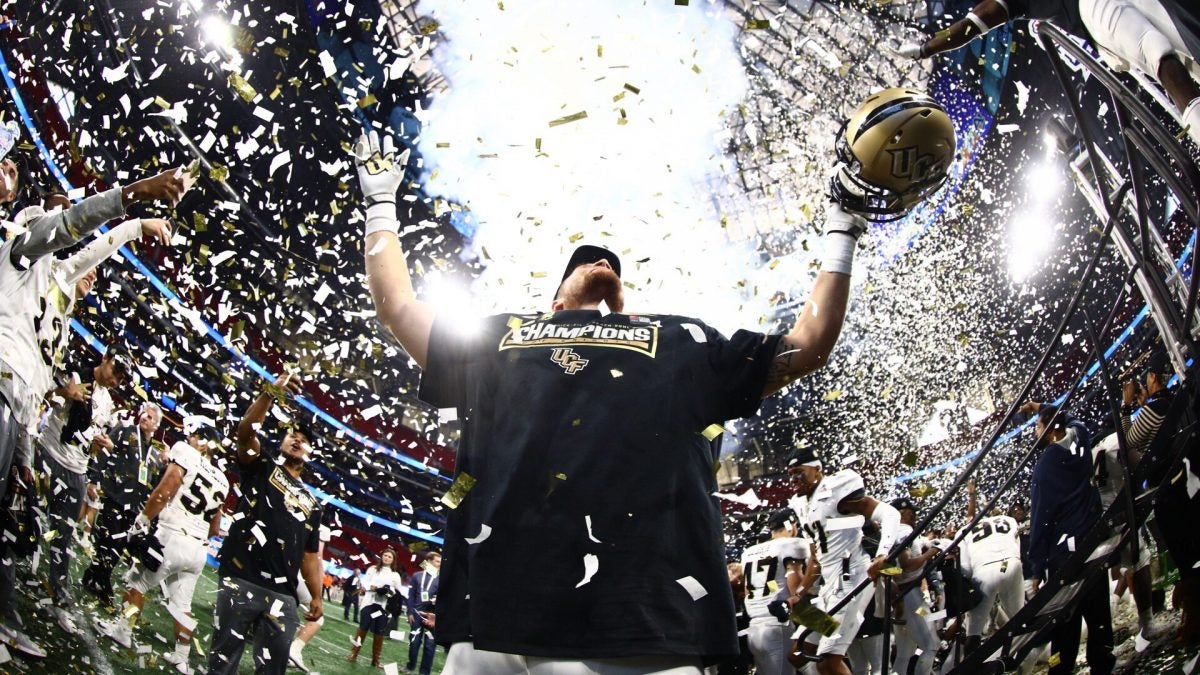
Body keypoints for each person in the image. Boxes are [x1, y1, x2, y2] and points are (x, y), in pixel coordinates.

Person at [354, 98, 874, 667]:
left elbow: (809, 344)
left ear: (628, 307)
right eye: (583, 261)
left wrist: (843, 222)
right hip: (494, 629)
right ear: (552, 303)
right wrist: (379, 204)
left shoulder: (682, 340)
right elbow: (398, 308)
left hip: (641, 634)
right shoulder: (499, 336)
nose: (600, 262)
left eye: (610, 265)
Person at [0, 162, 184, 653]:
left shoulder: (58, 279)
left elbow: (95, 248)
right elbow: (67, 226)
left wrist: (135, 226)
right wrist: (137, 194)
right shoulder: (22, 245)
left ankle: (11, 612)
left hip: (19, 404)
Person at [897, 0, 1200, 146]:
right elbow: (974, 24)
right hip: (1092, 6)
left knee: (1182, 39)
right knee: (1154, 49)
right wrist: (928, 48)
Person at [206, 373, 324, 675]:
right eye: (292, 434)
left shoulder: (313, 504)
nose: (298, 439)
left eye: (305, 439)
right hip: (241, 577)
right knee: (222, 663)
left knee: (273, 671)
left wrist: (317, 596)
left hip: (284, 594)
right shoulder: (263, 466)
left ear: (311, 453)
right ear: (281, 440)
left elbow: (310, 556)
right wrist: (271, 393)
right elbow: (245, 432)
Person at [97, 419, 228, 674]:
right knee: (183, 604)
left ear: (200, 438)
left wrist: (143, 520)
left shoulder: (186, 451)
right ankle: (181, 657)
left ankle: (122, 630)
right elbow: (215, 527)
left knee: (138, 582)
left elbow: (165, 490)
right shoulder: (223, 479)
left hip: (173, 536)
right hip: (199, 548)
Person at [785, 447, 902, 675]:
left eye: (799, 471)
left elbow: (890, 514)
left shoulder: (836, 489)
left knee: (827, 662)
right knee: (796, 654)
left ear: (817, 469)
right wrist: (800, 592)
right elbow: (816, 558)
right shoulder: (801, 505)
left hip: (852, 580)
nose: (794, 479)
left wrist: (882, 554)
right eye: (790, 474)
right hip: (828, 587)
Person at [37, 347, 129, 633]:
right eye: (115, 372)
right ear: (105, 359)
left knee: (62, 539)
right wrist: (67, 392)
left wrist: (97, 445)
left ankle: (59, 602)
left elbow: (87, 442)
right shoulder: (73, 371)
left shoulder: (107, 401)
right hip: (48, 455)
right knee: (25, 518)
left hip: (76, 470)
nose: (115, 380)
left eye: (121, 378)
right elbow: (41, 393)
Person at [1022, 402, 1115, 675]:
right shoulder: (1082, 439)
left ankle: (1059, 670)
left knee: (1064, 622)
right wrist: (1042, 407)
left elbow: (1041, 520)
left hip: (1064, 555)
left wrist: (1036, 569)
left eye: (1038, 426)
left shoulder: (1044, 468)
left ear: (1051, 431)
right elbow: (1073, 420)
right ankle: (1103, 666)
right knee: (1098, 611)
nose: (1034, 432)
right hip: (1090, 540)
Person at [82, 400, 163, 608]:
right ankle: (100, 582)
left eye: (150, 417)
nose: (145, 417)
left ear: (156, 426)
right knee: (106, 541)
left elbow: (151, 485)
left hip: (133, 509)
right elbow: (105, 450)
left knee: (117, 547)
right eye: (144, 414)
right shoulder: (126, 430)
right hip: (114, 497)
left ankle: (94, 577)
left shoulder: (153, 456)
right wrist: (93, 479)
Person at [738, 509, 809, 675]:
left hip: (754, 629)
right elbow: (796, 590)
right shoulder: (790, 544)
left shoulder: (749, 552)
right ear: (792, 526)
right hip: (777, 626)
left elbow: (755, 588)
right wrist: (823, 624)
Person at [959, 508, 1023, 656]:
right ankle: (1020, 656)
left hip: (984, 571)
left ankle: (972, 667)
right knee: (1020, 618)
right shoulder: (1009, 520)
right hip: (1010, 564)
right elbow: (1016, 547)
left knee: (973, 633)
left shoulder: (964, 530)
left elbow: (965, 569)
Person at [889, 498, 941, 675]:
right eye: (912, 512)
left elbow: (894, 568)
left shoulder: (892, 532)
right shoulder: (904, 530)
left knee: (904, 652)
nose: (915, 515)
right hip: (911, 596)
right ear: (903, 513)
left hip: (901, 597)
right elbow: (907, 564)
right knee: (932, 645)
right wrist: (931, 553)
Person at [347, 548, 404, 666]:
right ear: (382, 556)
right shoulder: (372, 569)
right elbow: (365, 583)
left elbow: (397, 593)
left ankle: (376, 660)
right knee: (363, 628)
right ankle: (354, 653)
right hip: (369, 603)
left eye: (390, 557)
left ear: (393, 560)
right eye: (385, 555)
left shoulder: (395, 575)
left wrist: (387, 592)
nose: (387, 558)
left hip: (383, 607)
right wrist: (377, 589)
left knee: (379, 632)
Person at [289, 525, 333, 673]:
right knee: (317, 618)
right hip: (300, 575)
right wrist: (317, 595)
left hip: (279, 569)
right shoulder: (321, 528)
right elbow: (316, 558)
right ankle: (294, 650)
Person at [406, 551, 440, 675]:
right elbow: (410, 596)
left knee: (430, 646)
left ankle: (424, 673)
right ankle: (410, 666)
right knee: (414, 643)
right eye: (437, 561)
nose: (439, 565)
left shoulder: (442, 579)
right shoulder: (417, 576)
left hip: (432, 617)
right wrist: (409, 612)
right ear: (429, 561)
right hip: (416, 615)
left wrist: (438, 600)